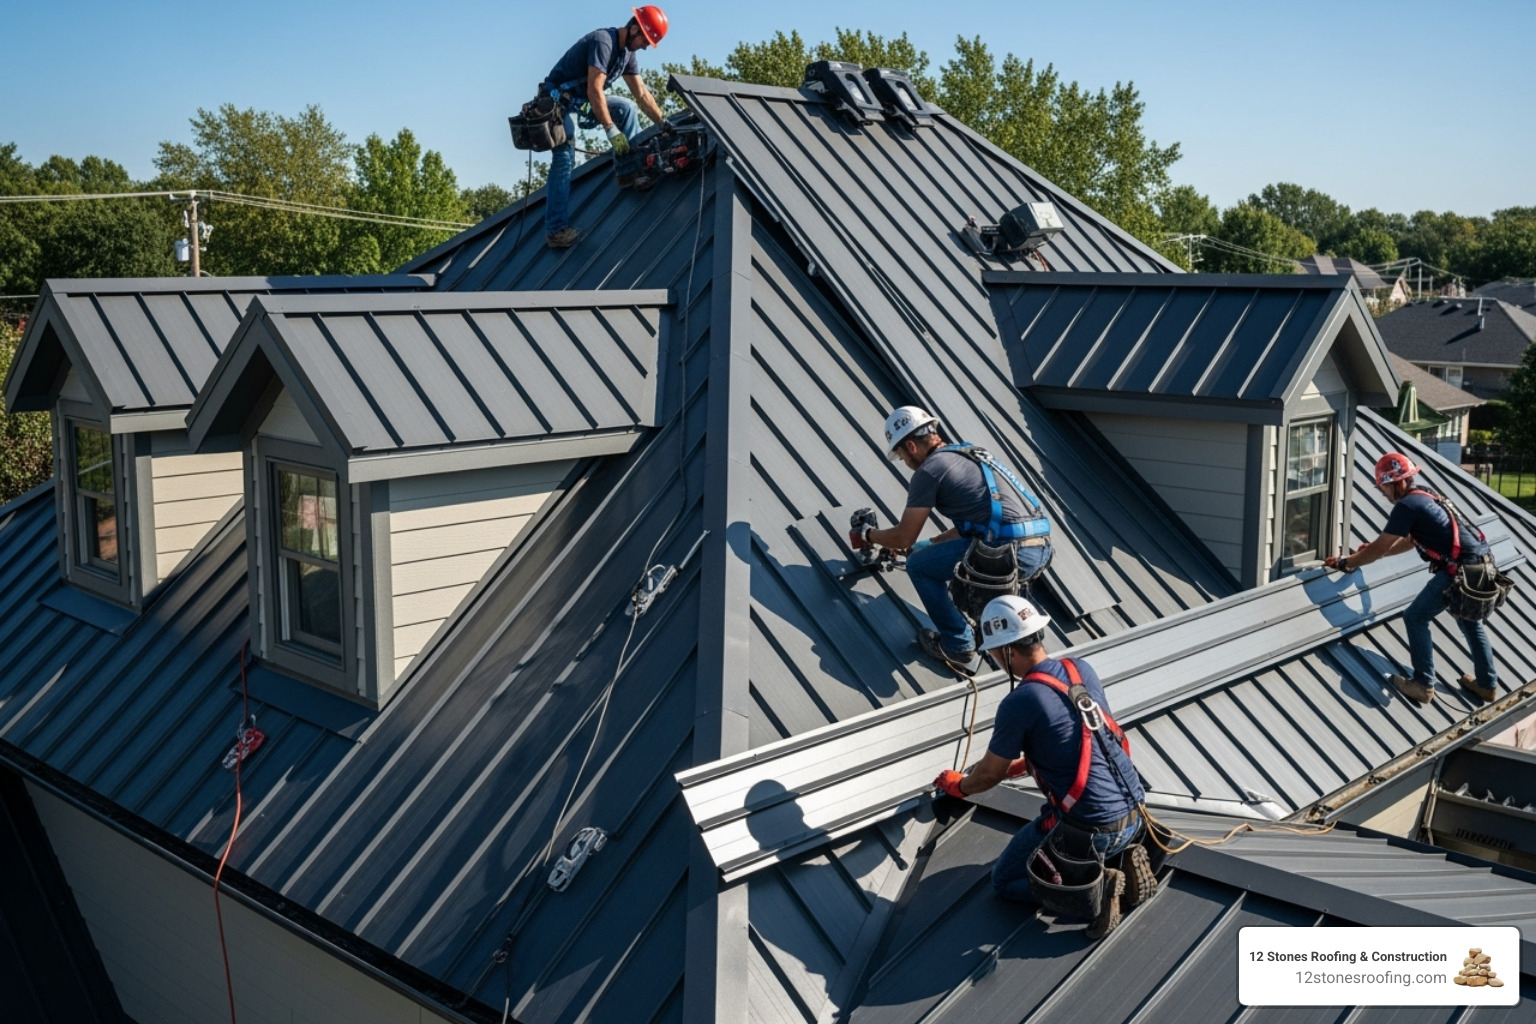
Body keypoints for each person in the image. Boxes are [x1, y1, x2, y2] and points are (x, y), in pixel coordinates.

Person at [932, 596, 1155, 939]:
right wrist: (1027, 763)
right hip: (1136, 813)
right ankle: (1121, 858)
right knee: (1080, 838)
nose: (993, 660)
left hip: (1092, 832)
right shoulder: (1080, 668)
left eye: (993, 652)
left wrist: (958, 786)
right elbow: (1083, 736)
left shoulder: (1021, 701)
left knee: (1005, 881)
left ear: (1007, 651)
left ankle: (1097, 894)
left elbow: (988, 775)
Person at [857, 406, 1051, 673]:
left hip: (1007, 550)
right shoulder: (971, 454)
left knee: (919, 567)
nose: (905, 462)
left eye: (901, 455)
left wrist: (868, 534)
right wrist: (927, 546)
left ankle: (958, 646)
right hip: (1038, 547)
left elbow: (903, 535)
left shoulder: (929, 471)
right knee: (935, 561)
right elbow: (978, 525)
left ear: (911, 446)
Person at [1324, 452, 1498, 706]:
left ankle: (1423, 684)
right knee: (1470, 621)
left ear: (1396, 483)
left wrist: (1345, 563)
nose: (1382, 492)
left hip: (1459, 571)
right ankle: (1487, 685)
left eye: (1383, 486)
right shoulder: (1425, 496)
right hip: (1482, 565)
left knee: (1415, 616)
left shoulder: (1406, 506)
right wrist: (1371, 552)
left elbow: (1382, 545)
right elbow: (1406, 541)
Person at [538, 7, 670, 248]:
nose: (644, 46)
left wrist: (663, 122)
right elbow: (594, 90)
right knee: (565, 156)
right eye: (644, 40)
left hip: (582, 100)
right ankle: (555, 230)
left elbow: (640, 93)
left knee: (627, 108)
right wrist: (611, 130)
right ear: (633, 28)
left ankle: (627, 172)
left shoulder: (627, 54)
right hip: (558, 102)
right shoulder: (603, 42)